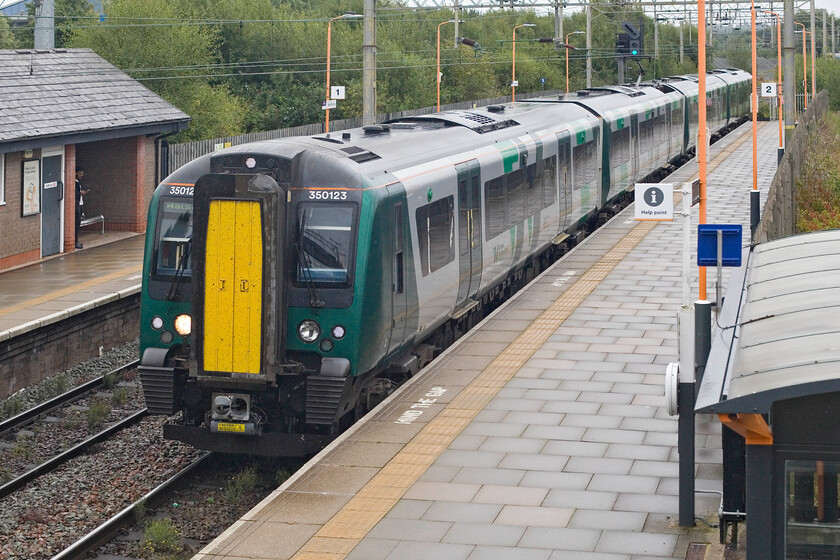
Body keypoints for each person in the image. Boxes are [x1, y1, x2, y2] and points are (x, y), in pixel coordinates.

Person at [74, 166, 88, 249]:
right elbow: (74, 194)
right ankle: (75, 241)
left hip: (79, 204)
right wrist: (80, 193)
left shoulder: (78, 182)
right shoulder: (74, 183)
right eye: (79, 173)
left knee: (78, 224)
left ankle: (76, 241)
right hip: (76, 206)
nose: (81, 175)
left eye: (82, 174)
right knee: (76, 224)